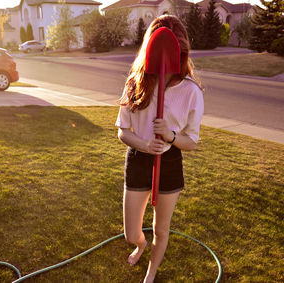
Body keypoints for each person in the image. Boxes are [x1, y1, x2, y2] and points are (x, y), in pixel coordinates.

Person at [115, 15, 204, 282]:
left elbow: (192, 141)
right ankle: (140, 245)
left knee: (161, 229)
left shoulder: (191, 92)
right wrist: (145, 144)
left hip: (170, 163)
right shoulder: (135, 82)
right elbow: (122, 131)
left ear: (182, 51)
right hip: (139, 160)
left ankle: (150, 274)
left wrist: (171, 135)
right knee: (131, 232)